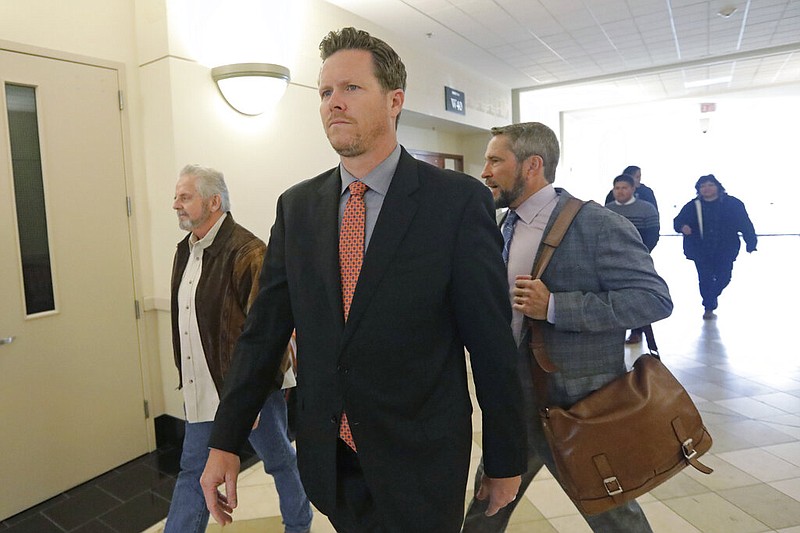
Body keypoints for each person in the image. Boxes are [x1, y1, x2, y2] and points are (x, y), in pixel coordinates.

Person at [200, 27, 527, 533]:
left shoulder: (456, 203)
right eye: (325, 92)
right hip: (330, 455)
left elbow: (489, 342)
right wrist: (225, 439)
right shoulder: (299, 207)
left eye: (351, 88)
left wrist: (505, 458)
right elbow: (263, 331)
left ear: (394, 100)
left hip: (420, 456)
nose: (334, 103)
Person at [464, 122, 673, 533]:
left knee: (614, 515)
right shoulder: (503, 223)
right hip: (515, 400)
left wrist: (557, 306)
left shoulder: (597, 224)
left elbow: (654, 299)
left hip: (580, 406)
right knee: (486, 504)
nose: (484, 171)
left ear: (532, 165)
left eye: (494, 160)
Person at [166, 165, 312, 533]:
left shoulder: (249, 252)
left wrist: (254, 396)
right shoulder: (185, 251)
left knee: (278, 461)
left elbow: (271, 332)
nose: (175, 205)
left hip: (248, 391)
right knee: (193, 471)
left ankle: (299, 523)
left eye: (185, 197)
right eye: (177, 196)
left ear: (214, 201)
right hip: (202, 390)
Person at [673, 173, 757, 319]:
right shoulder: (693, 205)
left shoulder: (732, 204)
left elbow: (745, 223)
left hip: (726, 248)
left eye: (710, 185)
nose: (706, 189)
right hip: (700, 249)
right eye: (703, 186)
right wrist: (682, 226)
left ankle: (712, 295)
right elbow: (677, 221)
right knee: (704, 277)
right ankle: (708, 305)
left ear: (718, 187)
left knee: (724, 276)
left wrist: (751, 242)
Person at [605, 173, 661, 345]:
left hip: (638, 261)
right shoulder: (606, 210)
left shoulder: (646, 209)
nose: (620, 191)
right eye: (617, 188)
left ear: (633, 189)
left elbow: (652, 235)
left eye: (624, 188)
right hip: (611, 261)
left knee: (638, 297)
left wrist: (640, 254)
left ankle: (638, 331)